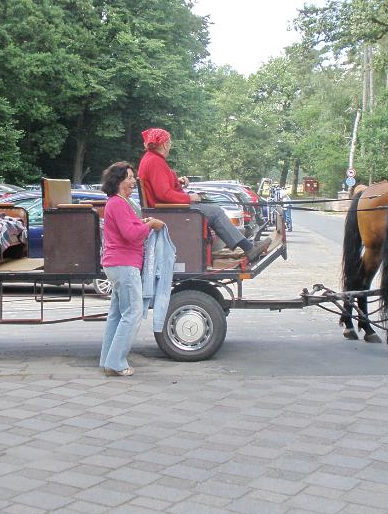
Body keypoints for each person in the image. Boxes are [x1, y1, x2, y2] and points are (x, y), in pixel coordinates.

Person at [137, 128, 270, 261]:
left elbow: (160, 186)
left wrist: (177, 181)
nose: (170, 146)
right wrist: (189, 197)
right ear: (164, 144)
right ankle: (248, 248)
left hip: (167, 210)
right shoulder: (155, 162)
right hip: (170, 212)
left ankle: (243, 246)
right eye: (169, 143)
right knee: (215, 212)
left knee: (211, 209)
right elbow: (164, 194)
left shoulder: (151, 159)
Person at [99, 161, 165, 377]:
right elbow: (130, 234)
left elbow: (129, 227)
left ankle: (107, 360)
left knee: (117, 315)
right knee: (133, 313)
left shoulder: (118, 203)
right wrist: (150, 225)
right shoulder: (118, 204)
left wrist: (143, 222)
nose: (133, 181)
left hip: (117, 264)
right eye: (128, 177)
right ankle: (116, 363)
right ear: (118, 181)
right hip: (124, 264)